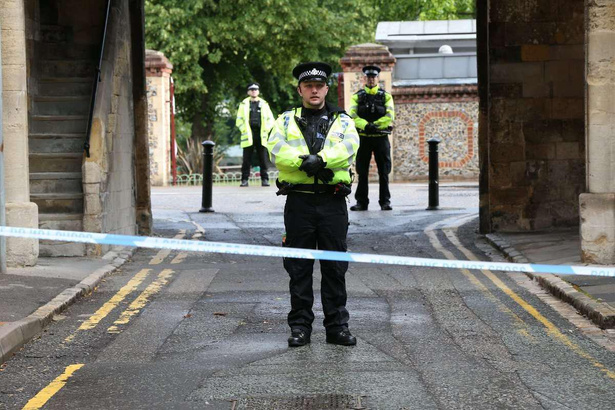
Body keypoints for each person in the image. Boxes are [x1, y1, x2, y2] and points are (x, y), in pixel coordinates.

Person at [266, 62, 360, 347]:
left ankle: (337, 328)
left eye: (319, 85)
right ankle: (300, 328)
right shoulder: (284, 120)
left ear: (327, 89)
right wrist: (301, 162)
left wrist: (321, 160)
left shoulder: (343, 121)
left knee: (335, 267)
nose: (314, 90)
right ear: (300, 90)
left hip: (332, 203)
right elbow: (275, 148)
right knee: (299, 268)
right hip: (299, 202)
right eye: (308, 86)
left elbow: (348, 148)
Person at [348, 65, 395, 211]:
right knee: (362, 171)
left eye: (373, 77)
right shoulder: (357, 96)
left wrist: (375, 125)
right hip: (364, 138)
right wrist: (366, 125)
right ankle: (362, 202)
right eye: (368, 77)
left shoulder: (385, 96)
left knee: (384, 172)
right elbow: (353, 116)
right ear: (364, 79)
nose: (371, 79)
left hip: (381, 138)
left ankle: (385, 202)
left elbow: (390, 116)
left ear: (377, 78)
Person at [235, 82, 275, 187]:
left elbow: (271, 120)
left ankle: (265, 180)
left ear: (258, 91)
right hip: (248, 134)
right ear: (248, 91)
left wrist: (266, 129)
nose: (253, 91)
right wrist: (244, 130)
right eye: (251, 89)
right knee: (246, 159)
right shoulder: (243, 104)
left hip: (261, 134)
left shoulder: (264, 104)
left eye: (255, 89)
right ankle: (244, 180)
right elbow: (239, 120)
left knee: (263, 158)